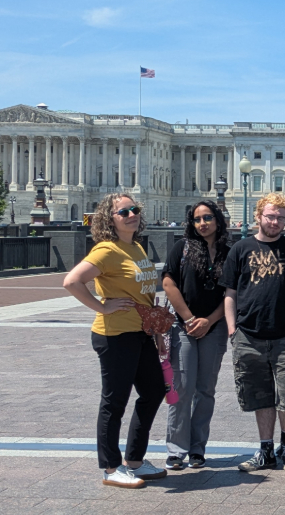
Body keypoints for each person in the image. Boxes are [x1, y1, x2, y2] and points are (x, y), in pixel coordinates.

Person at [62, 193, 166, 488]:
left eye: (135, 209)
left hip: (141, 333)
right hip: (115, 334)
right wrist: (102, 306)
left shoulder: (135, 247)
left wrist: (156, 331)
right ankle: (110, 466)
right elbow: (72, 281)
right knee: (115, 401)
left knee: (154, 390)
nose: (132, 214)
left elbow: (145, 294)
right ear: (110, 219)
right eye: (124, 212)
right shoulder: (106, 250)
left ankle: (134, 460)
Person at [222, 193, 285, 473]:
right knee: (260, 395)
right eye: (270, 216)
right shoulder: (240, 249)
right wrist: (232, 330)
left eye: (280, 217)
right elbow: (230, 293)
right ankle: (265, 450)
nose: (275, 221)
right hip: (249, 334)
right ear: (259, 216)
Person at [161, 201, 230, 470]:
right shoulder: (182, 248)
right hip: (183, 327)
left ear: (218, 220)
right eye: (197, 219)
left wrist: (210, 320)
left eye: (208, 218)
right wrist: (190, 318)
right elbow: (168, 283)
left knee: (205, 389)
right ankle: (177, 449)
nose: (203, 223)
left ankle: (198, 448)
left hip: (215, 326)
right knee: (182, 387)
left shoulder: (229, 251)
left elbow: (231, 292)